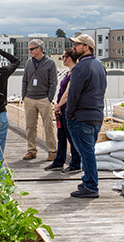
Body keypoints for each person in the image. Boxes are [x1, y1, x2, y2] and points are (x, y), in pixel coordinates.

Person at [65, 34, 107, 198]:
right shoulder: (99, 66)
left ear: (86, 47)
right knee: (88, 151)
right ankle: (88, 179)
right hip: (96, 114)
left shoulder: (80, 68)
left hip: (82, 116)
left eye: (77, 45)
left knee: (86, 152)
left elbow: (74, 94)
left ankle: (91, 186)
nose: (74, 48)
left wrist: (69, 115)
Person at [44, 48, 82, 173]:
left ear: (69, 58)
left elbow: (68, 92)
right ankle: (59, 161)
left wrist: (59, 105)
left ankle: (75, 163)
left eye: (63, 57)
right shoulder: (68, 72)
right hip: (61, 108)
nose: (62, 59)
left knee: (71, 137)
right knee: (61, 135)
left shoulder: (75, 73)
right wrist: (57, 103)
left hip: (67, 109)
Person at [21, 39, 58, 161]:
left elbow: (53, 82)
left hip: (44, 99)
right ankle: (31, 150)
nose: (30, 51)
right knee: (30, 126)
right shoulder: (29, 63)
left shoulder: (50, 63)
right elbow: (25, 80)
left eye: (32, 49)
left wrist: (49, 98)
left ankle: (52, 151)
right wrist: (24, 97)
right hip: (30, 98)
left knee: (48, 126)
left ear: (39, 49)